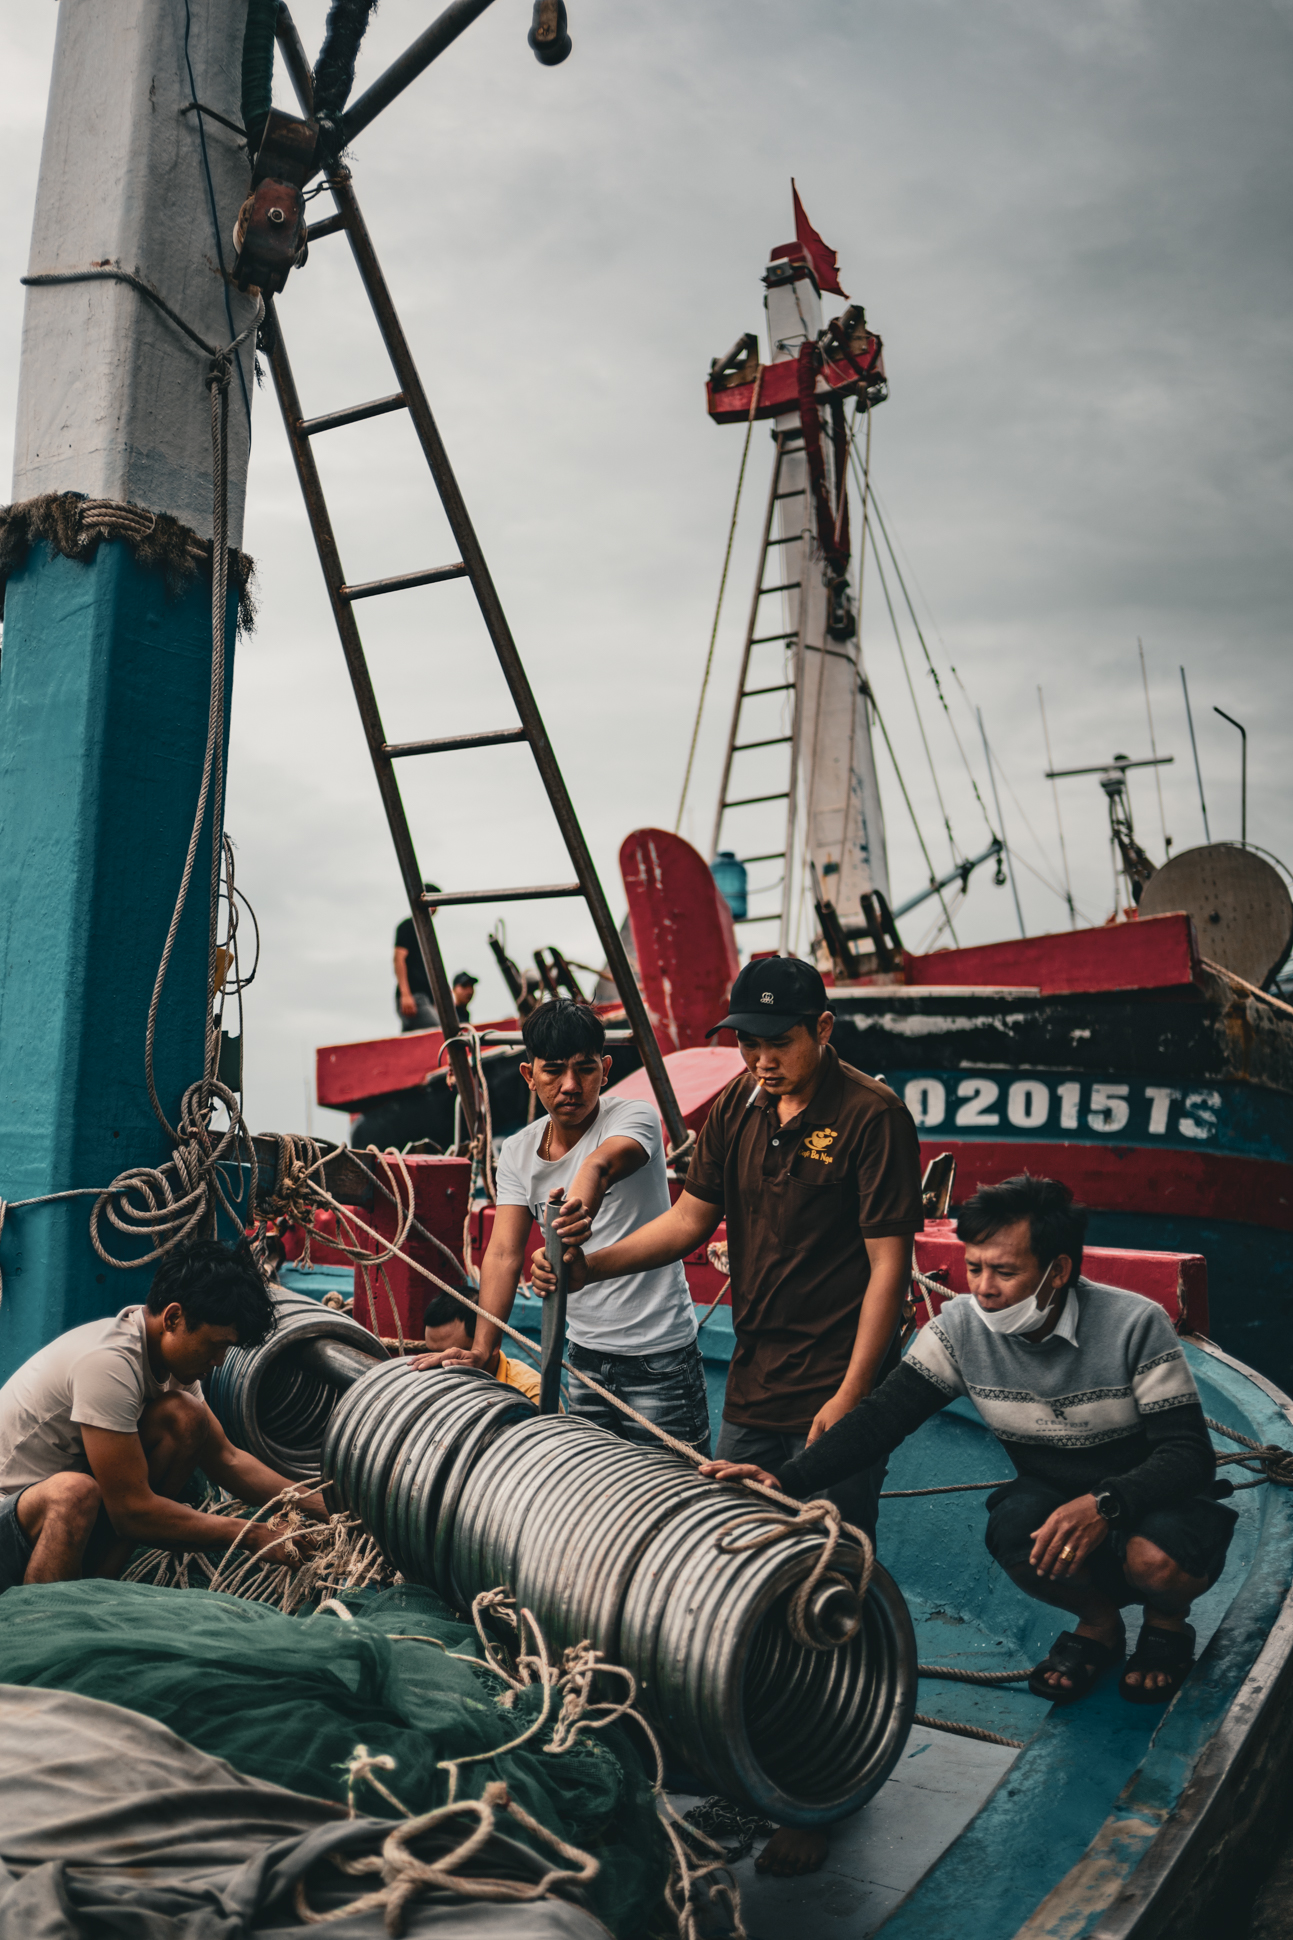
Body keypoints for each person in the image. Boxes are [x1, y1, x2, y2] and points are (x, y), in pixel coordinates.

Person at [535, 954, 923, 1877]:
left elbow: (887, 1268)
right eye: (745, 1042)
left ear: (822, 1031)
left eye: (776, 1041)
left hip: (837, 1385)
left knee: (828, 1581)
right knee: (742, 1572)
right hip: (752, 1383)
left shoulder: (872, 1116)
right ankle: (763, 1758)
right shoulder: (740, 1112)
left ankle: (822, 1785)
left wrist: (851, 1396)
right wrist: (591, 1264)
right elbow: (686, 1224)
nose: (759, 1058)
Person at [705, 1172, 1237, 1713]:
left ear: (1058, 1270)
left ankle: (1167, 1623)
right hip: (1054, 1490)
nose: (982, 1287)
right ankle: (1099, 1626)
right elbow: (881, 1420)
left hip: (1154, 1499)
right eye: (975, 1266)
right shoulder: (959, 1327)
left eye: (1004, 1272)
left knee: (1157, 1560)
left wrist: (1105, 1505)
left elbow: (1189, 1455)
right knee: (1012, 1532)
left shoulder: (1133, 1324)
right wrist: (787, 1479)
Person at [422, 998, 710, 1454]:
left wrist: (573, 1215)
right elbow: (502, 1253)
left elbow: (599, 1165)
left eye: (585, 1068)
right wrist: (482, 1349)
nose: (571, 1085)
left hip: (659, 1356)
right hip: (580, 1359)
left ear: (606, 1068)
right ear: (528, 1075)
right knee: (591, 1502)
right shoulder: (517, 1151)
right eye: (553, 1070)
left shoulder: (634, 1118)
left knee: (679, 1500)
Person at [0, 1238, 327, 1594]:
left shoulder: (171, 1365)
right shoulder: (107, 1363)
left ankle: (96, 1589)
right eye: (216, 1345)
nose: (219, 1361)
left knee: (185, 1419)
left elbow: (227, 1459)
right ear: (173, 1317)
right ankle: (41, 1621)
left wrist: (326, 1508)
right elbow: (130, 1511)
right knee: (75, 1492)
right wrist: (252, 1535)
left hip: (60, 1524)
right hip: (12, 1516)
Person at [409, 1288, 542, 1404]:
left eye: (452, 1356)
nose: (438, 1366)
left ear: (494, 1344)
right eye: (431, 1353)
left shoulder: (530, 1394)